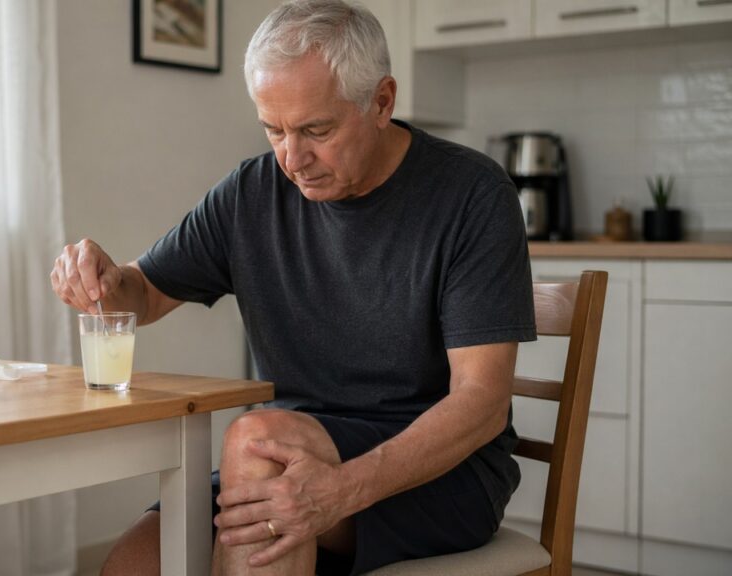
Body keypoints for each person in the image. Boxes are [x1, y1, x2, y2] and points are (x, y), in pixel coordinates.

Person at [50, 0, 536, 574]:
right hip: (282, 457)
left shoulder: (473, 195)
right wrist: (107, 278)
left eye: (316, 130)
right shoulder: (249, 195)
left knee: (259, 444)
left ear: (382, 101)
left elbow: (481, 405)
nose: (291, 158)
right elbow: (145, 294)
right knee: (131, 565)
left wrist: (340, 490)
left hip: (437, 474)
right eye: (273, 129)